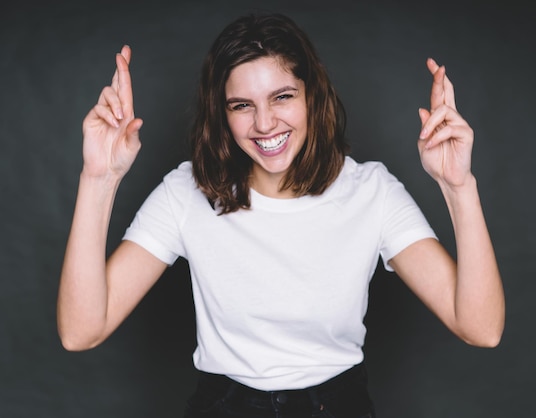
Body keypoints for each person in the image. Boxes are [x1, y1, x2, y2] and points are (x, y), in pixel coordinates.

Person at [57, 12, 505, 418]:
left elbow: (480, 328)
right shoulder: (186, 192)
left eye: (282, 96)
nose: (265, 124)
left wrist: (457, 186)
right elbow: (82, 331)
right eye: (242, 105)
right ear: (223, 113)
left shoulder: (371, 191)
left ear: (312, 95)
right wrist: (99, 177)